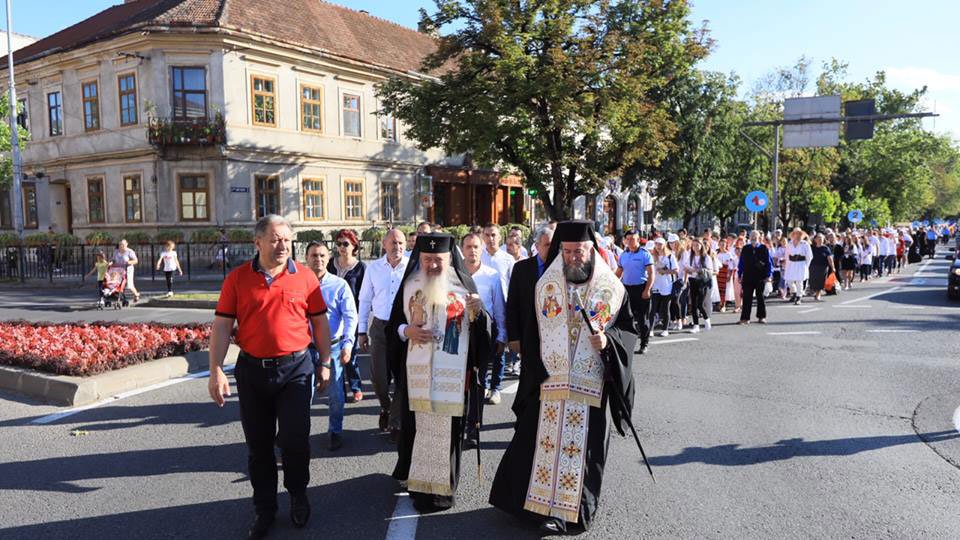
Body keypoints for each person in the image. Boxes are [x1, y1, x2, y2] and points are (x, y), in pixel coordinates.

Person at [489, 220, 638, 534]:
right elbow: (532, 332)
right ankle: (532, 506)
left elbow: (627, 332)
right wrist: (537, 369)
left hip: (590, 386)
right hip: (549, 383)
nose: (573, 257)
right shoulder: (547, 285)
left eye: (579, 251)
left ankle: (570, 513)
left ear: (591, 251)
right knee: (536, 445)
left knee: (580, 455)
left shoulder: (610, 288)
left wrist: (607, 342)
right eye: (567, 251)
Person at [207, 215, 332, 539]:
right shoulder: (237, 279)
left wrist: (326, 361)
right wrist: (216, 369)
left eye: (287, 240)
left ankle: (297, 494)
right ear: (258, 242)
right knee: (259, 447)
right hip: (252, 372)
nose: (283, 246)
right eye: (276, 239)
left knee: (293, 440)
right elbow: (222, 325)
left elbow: (319, 323)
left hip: (295, 370)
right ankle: (265, 509)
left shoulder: (305, 277)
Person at [387, 233, 491, 513]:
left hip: (452, 378)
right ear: (419, 259)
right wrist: (406, 330)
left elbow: (484, 332)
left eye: (438, 260)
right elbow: (392, 326)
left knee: (449, 433)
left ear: (449, 259)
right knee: (415, 429)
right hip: (416, 375)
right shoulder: (410, 285)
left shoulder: (464, 286)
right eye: (427, 259)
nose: (433, 265)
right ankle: (418, 486)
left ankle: (443, 493)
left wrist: (478, 313)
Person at [306, 242, 357, 451]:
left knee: (336, 395)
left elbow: (350, 316)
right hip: (305, 349)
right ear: (307, 258)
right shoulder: (300, 284)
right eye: (314, 256)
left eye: (322, 256)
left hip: (334, 347)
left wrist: (348, 344)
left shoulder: (339, 285)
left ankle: (335, 431)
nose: (318, 260)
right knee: (301, 395)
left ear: (328, 258)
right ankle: (298, 435)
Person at [358, 229, 408, 440]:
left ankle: (395, 421)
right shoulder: (373, 268)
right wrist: (362, 331)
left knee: (403, 377)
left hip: (405, 328)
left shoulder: (412, 266)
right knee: (378, 378)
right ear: (384, 245)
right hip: (379, 327)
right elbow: (365, 300)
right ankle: (386, 408)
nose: (397, 247)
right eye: (393, 243)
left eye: (401, 243)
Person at [460, 232, 507, 445]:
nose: (472, 251)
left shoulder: (492, 275)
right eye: (468, 247)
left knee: (479, 382)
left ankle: (474, 427)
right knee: (459, 383)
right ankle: (458, 424)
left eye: (476, 247)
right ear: (462, 249)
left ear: (482, 249)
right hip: (457, 336)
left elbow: (499, 309)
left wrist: (502, 336)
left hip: (483, 336)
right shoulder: (453, 274)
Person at [506, 225, 554, 376]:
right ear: (537, 246)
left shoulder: (562, 270)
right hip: (528, 335)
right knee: (530, 383)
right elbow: (513, 305)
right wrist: (513, 337)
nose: (551, 249)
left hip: (554, 337)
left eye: (554, 245)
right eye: (547, 245)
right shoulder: (522, 268)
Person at [329, 229, 366, 403]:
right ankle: (340, 390)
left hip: (351, 315)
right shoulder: (331, 264)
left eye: (346, 244)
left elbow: (364, 294)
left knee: (350, 355)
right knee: (336, 356)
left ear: (354, 246)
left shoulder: (360, 268)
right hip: (334, 317)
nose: (342, 247)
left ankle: (356, 386)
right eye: (339, 244)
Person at [617, 229, 654, 353]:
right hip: (627, 290)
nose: (630, 241)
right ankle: (628, 344)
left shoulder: (645, 254)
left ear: (638, 240)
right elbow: (619, 272)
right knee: (627, 318)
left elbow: (651, 273)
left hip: (641, 288)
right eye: (628, 239)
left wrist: (647, 290)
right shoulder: (624, 254)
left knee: (643, 319)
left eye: (633, 239)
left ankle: (644, 344)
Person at [737, 230, 773, 325]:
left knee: (760, 297)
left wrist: (769, 275)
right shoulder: (745, 248)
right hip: (748, 276)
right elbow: (741, 262)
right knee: (746, 297)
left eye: (755, 236)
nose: (753, 238)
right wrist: (739, 274)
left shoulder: (764, 248)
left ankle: (761, 317)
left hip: (760, 276)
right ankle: (745, 318)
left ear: (759, 238)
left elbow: (769, 263)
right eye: (751, 236)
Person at [685, 238, 715, 332]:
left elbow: (710, 270)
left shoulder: (706, 257)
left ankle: (706, 319)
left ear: (701, 246)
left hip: (702, 281)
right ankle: (696, 325)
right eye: (693, 245)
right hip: (693, 280)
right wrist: (689, 269)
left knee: (700, 304)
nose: (695, 247)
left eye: (697, 245)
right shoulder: (690, 256)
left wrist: (699, 270)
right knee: (693, 304)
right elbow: (686, 266)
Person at [650, 238, 677, 337]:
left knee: (666, 308)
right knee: (653, 308)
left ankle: (665, 329)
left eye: (660, 244)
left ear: (664, 245)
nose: (658, 246)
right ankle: (651, 329)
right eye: (656, 244)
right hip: (655, 284)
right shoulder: (652, 256)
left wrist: (664, 271)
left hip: (666, 285)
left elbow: (676, 270)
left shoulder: (670, 256)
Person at [784, 228, 812, 305]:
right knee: (789, 281)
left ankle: (799, 297)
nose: (797, 234)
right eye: (795, 233)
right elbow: (787, 255)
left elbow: (809, 256)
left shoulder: (805, 244)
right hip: (791, 264)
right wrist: (787, 264)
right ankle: (794, 293)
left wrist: (806, 265)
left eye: (799, 233)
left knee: (799, 281)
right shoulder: (789, 243)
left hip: (801, 264)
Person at [808, 234, 835, 302]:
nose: (820, 239)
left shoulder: (826, 248)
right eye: (818, 238)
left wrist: (833, 267)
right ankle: (815, 291)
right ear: (815, 239)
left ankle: (818, 294)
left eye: (821, 238)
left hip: (823, 267)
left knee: (821, 281)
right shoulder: (811, 247)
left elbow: (830, 258)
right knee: (813, 280)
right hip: (812, 266)